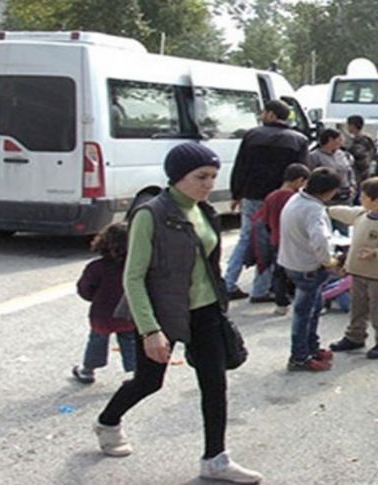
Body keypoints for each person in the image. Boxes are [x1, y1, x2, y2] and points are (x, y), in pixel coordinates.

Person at [95, 143, 262, 483]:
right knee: (149, 382)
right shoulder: (150, 214)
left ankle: (215, 458)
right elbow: (133, 276)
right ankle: (108, 422)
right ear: (177, 177)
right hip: (163, 314)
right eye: (201, 177)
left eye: (213, 176)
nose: (208, 184)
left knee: (215, 384)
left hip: (206, 312)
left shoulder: (205, 212)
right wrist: (149, 330)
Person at [226, 100, 309, 303]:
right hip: (282, 198)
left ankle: (227, 283)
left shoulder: (252, 135)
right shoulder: (298, 140)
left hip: (252, 195)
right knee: (274, 241)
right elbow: (302, 172)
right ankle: (261, 289)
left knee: (246, 237)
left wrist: (236, 194)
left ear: (271, 115)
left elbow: (241, 167)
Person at [327, 177, 378, 359]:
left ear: (376, 202)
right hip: (358, 272)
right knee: (358, 308)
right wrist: (325, 209)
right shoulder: (362, 215)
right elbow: (344, 212)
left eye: (363, 197)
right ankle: (355, 336)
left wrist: (376, 253)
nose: (360, 200)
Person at [277, 167, 342, 371]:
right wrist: (329, 262)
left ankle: (311, 347)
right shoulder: (314, 210)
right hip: (308, 266)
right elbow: (320, 240)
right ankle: (299, 357)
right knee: (304, 314)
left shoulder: (296, 199)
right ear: (328, 191)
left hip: (292, 261)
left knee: (313, 309)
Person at [72, 223, 135, 384]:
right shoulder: (133, 266)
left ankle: (88, 370)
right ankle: (135, 372)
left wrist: (96, 298)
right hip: (128, 312)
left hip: (102, 312)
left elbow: (84, 289)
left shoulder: (95, 267)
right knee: (129, 340)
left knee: (97, 340)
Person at [261, 163, 311, 316]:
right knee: (300, 273)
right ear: (299, 180)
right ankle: (302, 302)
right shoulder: (294, 199)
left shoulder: (271, 196)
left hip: (275, 239)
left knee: (279, 274)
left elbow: (266, 220)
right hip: (293, 241)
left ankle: (281, 303)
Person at [310, 128, 357, 235]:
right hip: (326, 197)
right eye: (339, 139)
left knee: (344, 227)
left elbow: (350, 171)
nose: (342, 141)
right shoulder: (315, 156)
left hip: (344, 196)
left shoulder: (344, 155)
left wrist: (352, 186)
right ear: (330, 139)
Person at [345, 115, 377, 185]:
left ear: (352, 126)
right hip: (366, 172)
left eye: (348, 125)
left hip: (359, 174)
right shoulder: (368, 138)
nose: (347, 127)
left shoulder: (358, 140)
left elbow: (359, 156)